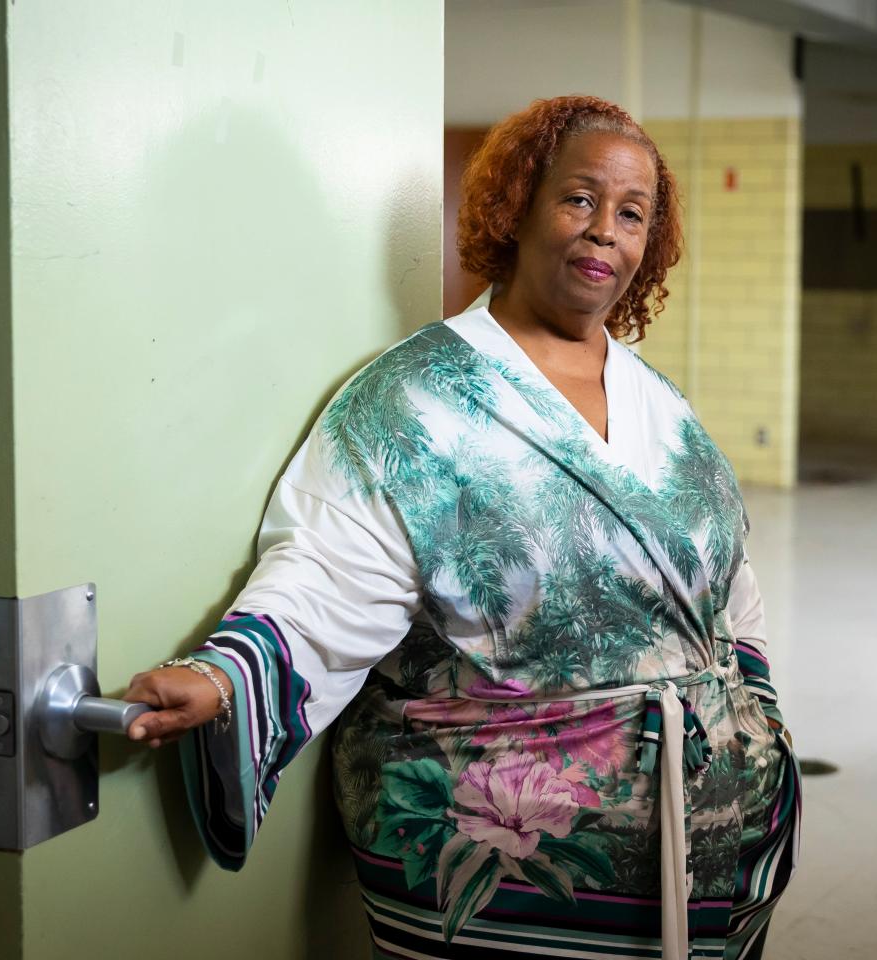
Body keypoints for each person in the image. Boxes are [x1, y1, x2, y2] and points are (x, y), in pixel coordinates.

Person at [122, 94, 799, 960]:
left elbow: (733, 594)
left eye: (632, 214)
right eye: (579, 199)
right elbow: (328, 573)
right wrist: (224, 679)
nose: (605, 232)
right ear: (517, 208)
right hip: (510, 889)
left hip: (709, 851)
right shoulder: (413, 398)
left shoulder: (663, 408)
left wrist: (761, 728)